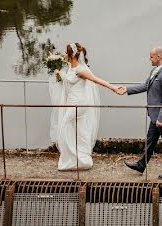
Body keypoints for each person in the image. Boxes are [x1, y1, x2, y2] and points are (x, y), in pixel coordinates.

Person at [49, 42, 122, 171]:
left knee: (63, 127)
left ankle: (75, 159)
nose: (64, 55)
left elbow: (97, 80)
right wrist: (59, 75)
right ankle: (80, 160)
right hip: (71, 103)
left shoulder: (81, 70)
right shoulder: (70, 68)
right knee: (79, 131)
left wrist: (114, 88)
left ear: (71, 55)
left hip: (79, 104)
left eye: (66, 53)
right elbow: (68, 81)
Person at [120, 46, 162, 179]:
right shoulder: (156, 70)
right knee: (150, 141)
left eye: (151, 57)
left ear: (159, 57)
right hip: (156, 115)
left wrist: (161, 118)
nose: (150, 59)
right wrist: (126, 89)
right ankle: (141, 165)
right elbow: (145, 86)